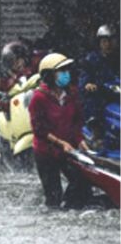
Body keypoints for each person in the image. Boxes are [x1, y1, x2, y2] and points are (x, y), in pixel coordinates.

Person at [28, 53, 91, 209]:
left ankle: (69, 209)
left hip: (67, 150)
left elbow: (76, 121)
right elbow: (39, 129)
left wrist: (80, 140)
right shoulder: (38, 98)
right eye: (61, 71)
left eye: (67, 70)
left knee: (82, 183)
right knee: (53, 196)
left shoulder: (71, 94)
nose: (66, 74)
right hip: (46, 152)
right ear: (49, 75)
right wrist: (61, 143)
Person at [78, 25, 120, 149]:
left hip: (116, 93)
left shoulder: (118, 57)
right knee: (94, 102)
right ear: (99, 43)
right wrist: (88, 84)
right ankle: (97, 134)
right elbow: (84, 79)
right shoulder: (91, 59)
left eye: (112, 41)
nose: (108, 44)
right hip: (100, 94)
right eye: (105, 41)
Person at [0, 40, 35, 113]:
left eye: (17, 61)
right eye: (12, 63)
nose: (16, 65)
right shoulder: (10, 78)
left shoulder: (34, 68)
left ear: (23, 57)